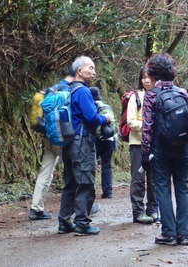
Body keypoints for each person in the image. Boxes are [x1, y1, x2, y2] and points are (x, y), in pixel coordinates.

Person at [142, 53, 188, 246]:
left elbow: (147, 127)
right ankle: (183, 234)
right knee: (182, 188)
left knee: (163, 189)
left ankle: (169, 233)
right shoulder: (182, 93)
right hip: (183, 148)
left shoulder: (151, 96)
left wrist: (145, 152)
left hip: (161, 150)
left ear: (153, 73)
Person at [58, 56, 110, 235]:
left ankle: (64, 221)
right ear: (79, 71)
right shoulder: (83, 91)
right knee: (85, 181)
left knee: (71, 182)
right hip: (82, 142)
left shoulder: (68, 90)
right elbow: (92, 118)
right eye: (91, 68)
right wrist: (106, 118)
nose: (94, 72)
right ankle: (82, 222)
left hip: (68, 141)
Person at [29, 72, 74, 220]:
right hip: (62, 139)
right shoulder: (68, 91)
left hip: (48, 137)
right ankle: (83, 204)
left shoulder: (50, 90)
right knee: (74, 170)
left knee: (45, 172)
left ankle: (35, 208)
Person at [128, 68, 158, 224]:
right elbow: (131, 121)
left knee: (154, 178)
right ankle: (138, 212)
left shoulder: (159, 95)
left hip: (155, 145)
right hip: (138, 144)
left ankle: (152, 209)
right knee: (138, 178)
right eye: (143, 77)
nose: (146, 80)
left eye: (149, 77)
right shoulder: (135, 97)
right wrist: (149, 125)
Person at [90, 86, 116, 199]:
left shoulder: (91, 107)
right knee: (107, 165)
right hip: (109, 139)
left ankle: (90, 191)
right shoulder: (107, 107)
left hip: (96, 139)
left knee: (91, 165)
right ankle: (108, 191)